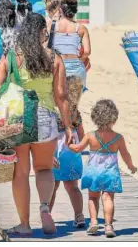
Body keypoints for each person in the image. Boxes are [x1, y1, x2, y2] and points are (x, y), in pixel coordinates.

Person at [0, 13, 74, 236]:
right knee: (44, 168)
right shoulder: (54, 58)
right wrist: (68, 125)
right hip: (45, 118)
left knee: (20, 173)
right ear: (41, 32)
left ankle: (24, 225)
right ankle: (44, 207)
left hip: (18, 119)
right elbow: (61, 95)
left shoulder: (11, 57)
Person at [69, 99, 137, 238]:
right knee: (107, 198)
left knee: (93, 198)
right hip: (109, 172)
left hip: (93, 172)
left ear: (95, 117)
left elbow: (77, 149)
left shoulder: (90, 136)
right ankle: (108, 226)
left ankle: (93, 222)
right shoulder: (118, 138)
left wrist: (69, 144)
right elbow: (125, 155)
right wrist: (131, 166)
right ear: (114, 118)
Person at [50, 76, 85, 228]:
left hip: (55, 150)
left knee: (52, 186)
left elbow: (49, 132)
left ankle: (47, 215)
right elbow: (82, 134)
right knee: (73, 187)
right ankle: (79, 215)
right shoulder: (75, 112)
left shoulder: (55, 110)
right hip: (71, 151)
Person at [45, 0, 91, 90]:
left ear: (60, 9)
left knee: (60, 101)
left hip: (58, 67)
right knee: (74, 101)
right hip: (77, 69)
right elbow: (87, 52)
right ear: (75, 11)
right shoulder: (82, 28)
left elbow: (47, 48)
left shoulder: (50, 25)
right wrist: (80, 60)